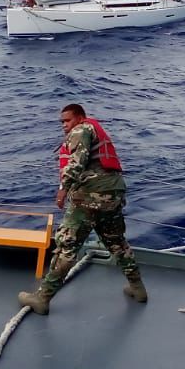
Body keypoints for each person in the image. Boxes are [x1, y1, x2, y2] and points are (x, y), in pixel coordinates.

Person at [17, 104, 145, 315]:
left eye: (67, 120)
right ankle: (138, 288)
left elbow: (77, 163)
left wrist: (62, 190)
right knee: (117, 242)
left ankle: (42, 298)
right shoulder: (94, 129)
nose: (64, 125)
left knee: (67, 246)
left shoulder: (81, 130)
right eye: (62, 122)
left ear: (79, 118)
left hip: (89, 197)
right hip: (113, 194)